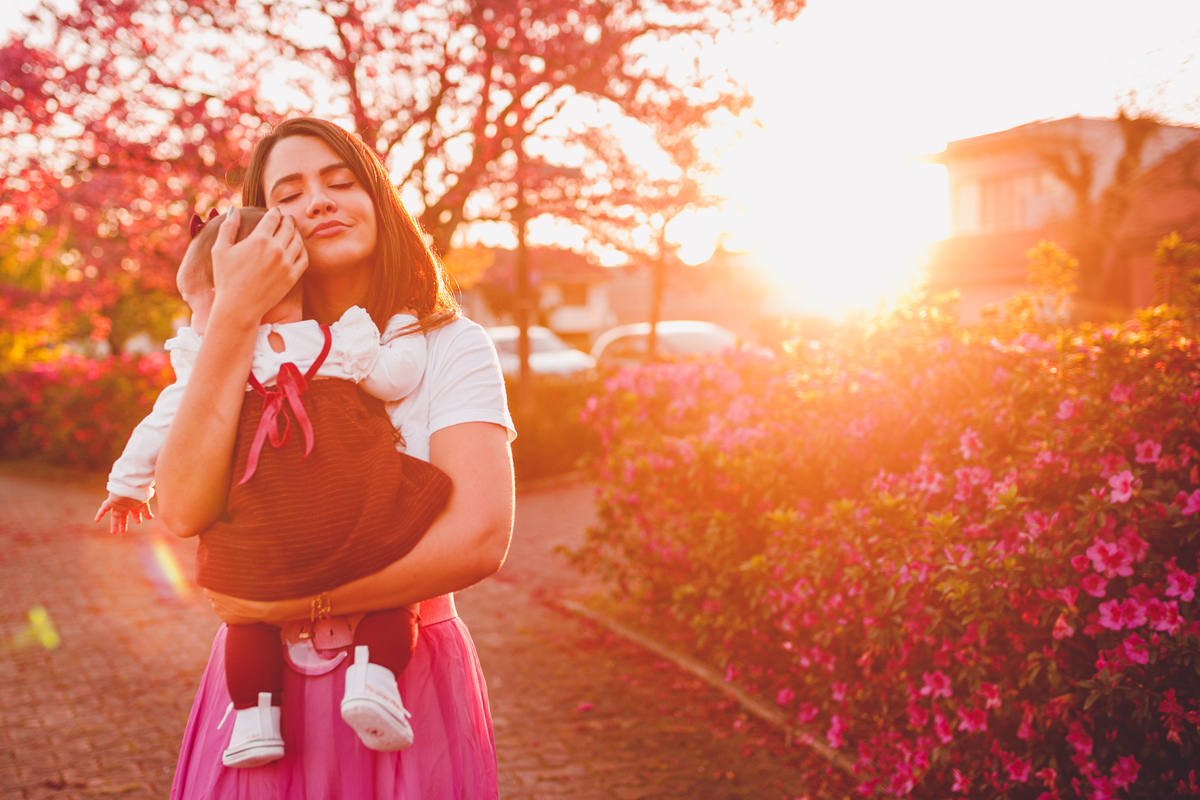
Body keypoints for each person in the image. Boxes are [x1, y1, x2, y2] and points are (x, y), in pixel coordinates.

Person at [156, 118, 515, 799]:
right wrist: (234, 310)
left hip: (404, 678)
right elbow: (179, 509)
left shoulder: (450, 345)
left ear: (379, 201)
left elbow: (479, 538)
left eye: (341, 182)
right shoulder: (232, 347)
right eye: (287, 194)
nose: (318, 201)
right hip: (259, 702)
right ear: (261, 228)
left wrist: (290, 602)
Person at [96, 207, 455, 767]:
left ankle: (255, 718)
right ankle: (375, 679)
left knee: (248, 616)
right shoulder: (333, 338)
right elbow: (395, 377)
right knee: (393, 591)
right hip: (354, 505)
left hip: (265, 519)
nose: (193, 323)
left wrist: (128, 484)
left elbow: (163, 422)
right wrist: (403, 326)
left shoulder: (215, 361)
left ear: (249, 285)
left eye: (198, 306)